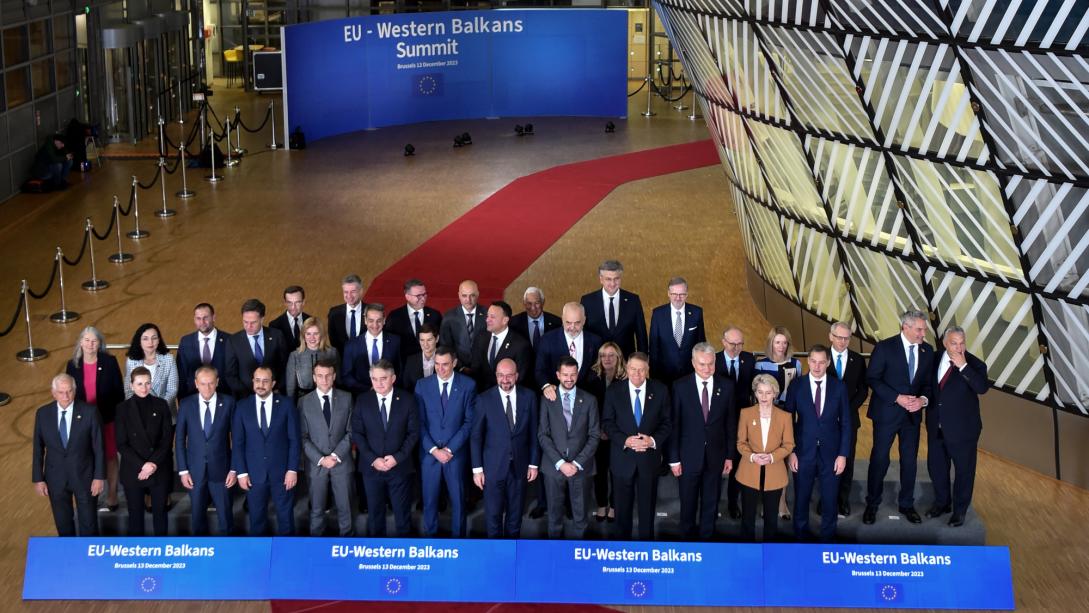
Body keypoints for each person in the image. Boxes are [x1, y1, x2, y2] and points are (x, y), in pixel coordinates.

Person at [863, 309, 935, 526]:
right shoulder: (884, 347)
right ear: (906, 327)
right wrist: (897, 398)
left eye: (924, 329)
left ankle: (906, 504)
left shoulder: (927, 351)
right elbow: (872, 378)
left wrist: (922, 400)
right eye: (919, 329)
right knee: (880, 459)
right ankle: (872, 504)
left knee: (910, 461)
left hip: (912, 416)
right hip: (887, 413)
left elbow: (928, 384)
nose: (923, 333)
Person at [668, 342, 735, 540]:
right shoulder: (680, 386)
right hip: (688, 457)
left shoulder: (727, 386)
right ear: (693, 363)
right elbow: (674, 425)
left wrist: (730, 456)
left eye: (711, 363)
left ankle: (707, 542)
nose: (707, 368)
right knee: (687, 503)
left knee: (711, 503)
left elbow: (730, 424)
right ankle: (687, 544)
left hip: (716, 456)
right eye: (702, 364)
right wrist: (674, 459)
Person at [785, 345, 851, 542]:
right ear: (808, 361)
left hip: (832, 453)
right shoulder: (796, 386)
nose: (817, 366)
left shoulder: (839, 387)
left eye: (822, 362)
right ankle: (800, 538)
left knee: (830, 500)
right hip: (803, 452)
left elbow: (846, 423)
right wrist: (791, 451)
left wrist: (843, 454)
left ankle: (827, 540)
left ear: (828, 363)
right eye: (813, 361)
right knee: (801, 498)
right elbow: (788, 421)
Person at [602, 352, 671, 540]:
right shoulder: (614, 391)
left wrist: (652, 441)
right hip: (622, 459)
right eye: (633, 369)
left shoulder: (661, 390)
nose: (637, 374)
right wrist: (625, 440)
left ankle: (646, 546)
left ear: (647, 370)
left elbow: (667, 423)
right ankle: (622, 547)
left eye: (641, 370)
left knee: (647, 511)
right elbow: (607, 422)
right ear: (627, 368)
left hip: (649, 460)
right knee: (622, 512)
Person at [926, 326, 988, 527]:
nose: (959, 347)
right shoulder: (934, 358)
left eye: (962, 343)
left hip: (963, 430)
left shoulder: (975, 364)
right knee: (937, 468)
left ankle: (959, 511)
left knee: (964, 471)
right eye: (954, 343)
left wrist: (963, 367)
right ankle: (941, 503)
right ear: (945, 343)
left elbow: (982, 388)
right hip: (936, 427)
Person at [471, 358, 540, 538]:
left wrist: (533, 464)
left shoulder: (529, 397)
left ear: (516, 376)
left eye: (509, 375)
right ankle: (495, 551)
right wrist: (477, 470)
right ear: (496, 376)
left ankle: (512, 550)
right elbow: (476, 437)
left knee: (515, 517)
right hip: (492, 469)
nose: (505, 380)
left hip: (520, 467)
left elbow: (534, 433)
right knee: (493, 516)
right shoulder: (484, 399)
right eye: (501, 375)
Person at [32, 374, 105, 536]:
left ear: (75, 391)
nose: (65, 396)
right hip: (55, 478)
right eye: (61, 392)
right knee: (63, 523)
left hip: (85, 476)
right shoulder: (42, 414)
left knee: (89, 523)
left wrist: (99, 477)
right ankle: (68, 552)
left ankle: (87, 553)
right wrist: (38, 479)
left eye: (69, 391)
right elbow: (38, 448)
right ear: (53, 393)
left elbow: (99, 447)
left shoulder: (90, 412)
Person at [354, 359, 419, 537]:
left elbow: (413, 433)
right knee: (375, 516)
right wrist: (373, 459)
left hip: (399, 468)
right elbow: (357, 434)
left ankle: (403, 550)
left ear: (393, 378)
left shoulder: (407, 400)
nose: (378, 383)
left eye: (383, 378)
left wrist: (397, 457)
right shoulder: (362, 400)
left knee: (402, 515)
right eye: (374, 379)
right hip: (371, 468)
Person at [415, 346, 476, 537]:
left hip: (455, 455)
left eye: (445, 364)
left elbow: (469, 422)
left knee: (458, 502)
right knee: (429, 502)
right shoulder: (422, 386)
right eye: (437, 364)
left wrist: (449, 449)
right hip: (429, 455)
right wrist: (434, 450)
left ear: (454, 363)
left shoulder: (468, 385)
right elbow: (419, 422)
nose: (440, 369)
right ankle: (431, 542)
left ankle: (459, 543)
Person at [233, 367, 300, 535]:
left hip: (283, 474)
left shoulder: (286, 405)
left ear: (273, 383)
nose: (260, 385)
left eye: (265, 381)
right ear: (252, 381)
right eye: (257, 380)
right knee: (256, 520)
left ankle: (286, 549)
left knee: (286, 519)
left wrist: (292, 469)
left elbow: (294, 440)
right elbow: (238, 443)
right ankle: (259, 550)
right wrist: (241, 473)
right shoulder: (242, 407)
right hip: (253, 475)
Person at [538, 357, 600, 538]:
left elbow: (594, 435)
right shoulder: (547, 399)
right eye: (565, 374)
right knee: (554, 517)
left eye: (573, 374)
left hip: (581, 468)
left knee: (581, 518)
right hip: (553, 467)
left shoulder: (590, 400)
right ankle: (554, 552)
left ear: (578, 374)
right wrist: (560, 463)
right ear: (558, 375)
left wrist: (576, 463)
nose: (569, 379)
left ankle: (578, 552)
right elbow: (543, 435)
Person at [65, 326, 124, 512]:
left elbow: (119, 392)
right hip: (83, 422)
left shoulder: (109, 362)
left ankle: (112, 495)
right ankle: (92, 496)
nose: (90, 344)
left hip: (107, 419)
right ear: (80, 343)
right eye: (87, 340)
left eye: (94, 341)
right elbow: (69, 395)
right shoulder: (73, 365)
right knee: (87, 458)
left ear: (100, 344)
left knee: (110, 457)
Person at [176, 366, 237, 535]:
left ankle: (227, 548)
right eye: (203, 384)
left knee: (225, 516)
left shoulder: (229, 403)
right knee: (197, 517)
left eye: (211, 383)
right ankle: (200, 548)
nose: (207, 388)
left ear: (217, 382)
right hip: (194, 471)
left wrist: (234, 469)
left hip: (222, 470)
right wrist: (183, 470)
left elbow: (237, 440)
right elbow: (179, 439)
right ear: (196, 384)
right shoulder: (186, 404)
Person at [114, 367, 174, 536]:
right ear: (131, 385)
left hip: (159, 468)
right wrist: (143, 466)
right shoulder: (122, 409)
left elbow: (167, 439)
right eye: (139, 384)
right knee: (135, 516)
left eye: (147, 383)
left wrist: (152, 464)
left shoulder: (161, 405)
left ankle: (161, 548)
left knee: (160, 514)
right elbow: (121, 444)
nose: (144, 387)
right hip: (134, 470)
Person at [298, 360, 354, 536]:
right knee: (317, 510)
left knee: (346, 509)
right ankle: (317, 544)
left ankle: (347, 543)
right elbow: (302, 437)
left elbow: (351, 431)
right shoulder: (303, 402)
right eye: (320, 376)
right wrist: (321, 459)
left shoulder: (347, 398)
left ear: (334, 376)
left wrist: (336, 455)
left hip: (342, 462)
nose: (324, 380)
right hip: (316, 464)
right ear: (314, 378)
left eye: (328, 375)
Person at [736, 375, 794, 541]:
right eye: (760, 392)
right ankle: (747, 550)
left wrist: (771, 457)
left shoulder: (785, 417)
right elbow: (741, 443)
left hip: (774, 471)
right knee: (747, 518)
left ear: (775, 394)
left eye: (768, 393)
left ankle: (769, 550)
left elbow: (789, 444)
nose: (763, 397)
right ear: (755, 393)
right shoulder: (746, 413)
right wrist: (753, 456)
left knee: (771, 519)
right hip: (749, 471)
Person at [754, 326, 800, 520]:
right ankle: (767, 502)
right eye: (777, 342)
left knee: (783, 460)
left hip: (787, 417)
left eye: (784, 342)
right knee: (766, 459)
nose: (781, 346)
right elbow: (756, 394)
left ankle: (781, 501)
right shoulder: (760, 364)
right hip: (766, 416)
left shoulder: (796, 364)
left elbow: (797, 393)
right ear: (771, 343)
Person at [828, 322, 869, 516]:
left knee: (847, 459)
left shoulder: (858, 360)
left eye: (846, 338)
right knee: (826, 460)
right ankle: (827, 499)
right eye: (839, 337)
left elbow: (863, 390)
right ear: (831, 336)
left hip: (849, 419)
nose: (842, 341)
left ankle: (843, 500)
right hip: (825, 421)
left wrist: (846, 410)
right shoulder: (821, 357)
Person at [716, 326, 755, 519]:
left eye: (740, 344)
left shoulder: (749, 360)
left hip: (741, 421)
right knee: (715, 463)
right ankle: (713, 503)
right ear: (723, 342)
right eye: (732, 344)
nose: (736, 348)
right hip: (718, 421)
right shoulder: (713, 360)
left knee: (738, 463)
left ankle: (733, 502)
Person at [587, 342, 625, 523]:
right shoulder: (592, 377)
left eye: (611, 355)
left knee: (617, 471)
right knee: (600, 471)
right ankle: (602, 504)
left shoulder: (626, 378)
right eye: (603, 355)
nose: (607, 359)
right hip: (598, 433)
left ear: (618, 357)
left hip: (619, 434)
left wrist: (612, 431)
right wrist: (599, 430)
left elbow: (626, 411)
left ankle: (615, 505)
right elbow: (588, 408)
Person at [580, 260, 647, 358]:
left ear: (621, 278)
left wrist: (642, 360)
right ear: (601, 279)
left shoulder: (633, 300)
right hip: (597, 361)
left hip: (625, 361)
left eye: (616, 279)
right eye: (608, 279)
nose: (612, 283)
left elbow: (641, 335)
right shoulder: (587, 301)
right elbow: (583, 334)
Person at [535, 302, 603, 396]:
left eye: (577, 323)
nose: (572, 327)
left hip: (587, 398)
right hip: (556, 397)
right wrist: (546, 386)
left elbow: (598, 371)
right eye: (568, 322)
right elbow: (540, 370)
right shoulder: (547, 340)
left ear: (584, 320)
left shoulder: (596, 341)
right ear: (562, 319)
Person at [649, 277, 706, 384]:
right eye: (674, 294)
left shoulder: (696, 312)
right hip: (664, 375)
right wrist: (653, 378)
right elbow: (653, 348)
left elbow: (701, 344)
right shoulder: (658, 314)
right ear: (668, 294)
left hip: (690, 373)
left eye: (682, 294)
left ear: (687, 294)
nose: (678, 298)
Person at [228, 298, 289, 397]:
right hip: (246, 397)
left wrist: (276, 389)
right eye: (245, 322)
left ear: (262, 319)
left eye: (253, 322)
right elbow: (230, 375)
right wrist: (249, 396)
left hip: (274, 395)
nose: (249, 326)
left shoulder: (277, 336)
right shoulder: (233, 341)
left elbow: (285, 367)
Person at [467, 301, 532, 390]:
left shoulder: (520, 345)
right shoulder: (481, 337)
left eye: (492, 317)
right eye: (487, 316)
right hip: (482, 394)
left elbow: (520, 378)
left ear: (505, 320)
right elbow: (475, 368)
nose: (487, 320)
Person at [176, 303, 237, 398]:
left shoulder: (229, 340)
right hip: (193, 398)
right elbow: (181, 375)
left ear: (213, 317)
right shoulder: (186, 342)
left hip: (224, 397)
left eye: (205, 318)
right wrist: (182, 400)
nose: (202, 322)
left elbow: (234, 373)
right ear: (194, 319)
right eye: (198, 318)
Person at [342, 303, 402, 395]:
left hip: (389, 394)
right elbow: (347, 376)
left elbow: (400, 371)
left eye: (379, 321)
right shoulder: (351, 345)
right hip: (361, 395)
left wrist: (386, 388)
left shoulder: (395, 341)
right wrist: (368, 389)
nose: (375, 325)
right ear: (365, 320)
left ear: (384, 320)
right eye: (371, 321)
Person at [122, 323, 179, 408]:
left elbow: (172, 390)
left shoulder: (169, 359)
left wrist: (160, 408)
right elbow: (128, 390)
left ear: (159, 340)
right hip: (138, 410)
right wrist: (137, 408)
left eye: (154, 338)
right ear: (139, 341)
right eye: (145, 339)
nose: (150, 342)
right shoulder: (131, 361)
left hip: (164, 410)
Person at [284, 317, 339, 400]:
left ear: (321, 335)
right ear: (303, 336)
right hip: (303, 399)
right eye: (308, 334)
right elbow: (290, 388)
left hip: (328, 398)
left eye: (316, 334)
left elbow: (338, 381)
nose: (312, 338)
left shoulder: (332, 353)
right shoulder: (295, 355)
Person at [386, 279, 443, 357]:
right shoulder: (395, 317)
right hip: (405, 361)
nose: (423, 298)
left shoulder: (435, 315)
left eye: (424, 294)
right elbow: (390, 343)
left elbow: (440, 341)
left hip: (430, 360)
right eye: (418, 296)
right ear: (407, 297)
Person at [440, 280, 489, 370]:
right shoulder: (449, 317)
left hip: (484, 369)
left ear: (478, 294)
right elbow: (446, 346)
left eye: (472, 295)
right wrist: (460, 366)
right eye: (464, 296)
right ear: (459, 295)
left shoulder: (488, 314)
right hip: (458, 369)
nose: (468, 300)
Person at [327, 275, 365, 355]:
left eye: (353, 291)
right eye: (346, 292)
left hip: (367, 359)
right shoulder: (334, 313)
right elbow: (333, 341)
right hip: (342, 359)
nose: (349, 296)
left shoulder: (371, 311)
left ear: (361, 291)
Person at [269, 285, 311, 351]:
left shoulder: (312, 321)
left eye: (297, 302)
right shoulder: (275, 325)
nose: (293, 307)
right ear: (285, 303)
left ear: (303, 302)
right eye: (289, 303)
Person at [401, 323, 438, 391]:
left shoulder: (446, 359)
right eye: (422, 340)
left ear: (437, 339)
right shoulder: (411, 361)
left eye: (429, 340)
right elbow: (406, 388)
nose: (425, 344)